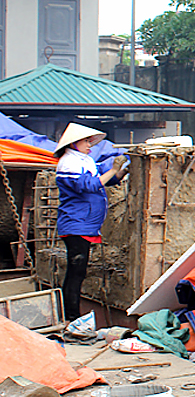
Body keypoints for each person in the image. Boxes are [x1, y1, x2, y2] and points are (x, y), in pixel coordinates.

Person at [55, 123, 128, 321]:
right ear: (74, 143)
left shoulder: (83, 160)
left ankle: (70, 315)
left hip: (83, 223)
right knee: (76, 273)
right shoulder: (68, 163)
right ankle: (71, 316)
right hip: (77, 224)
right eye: (86, 141)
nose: (90, 145)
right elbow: (89, 185)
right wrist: (113, 169)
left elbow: (101, 180)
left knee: (77, 272)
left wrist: (118, 173)